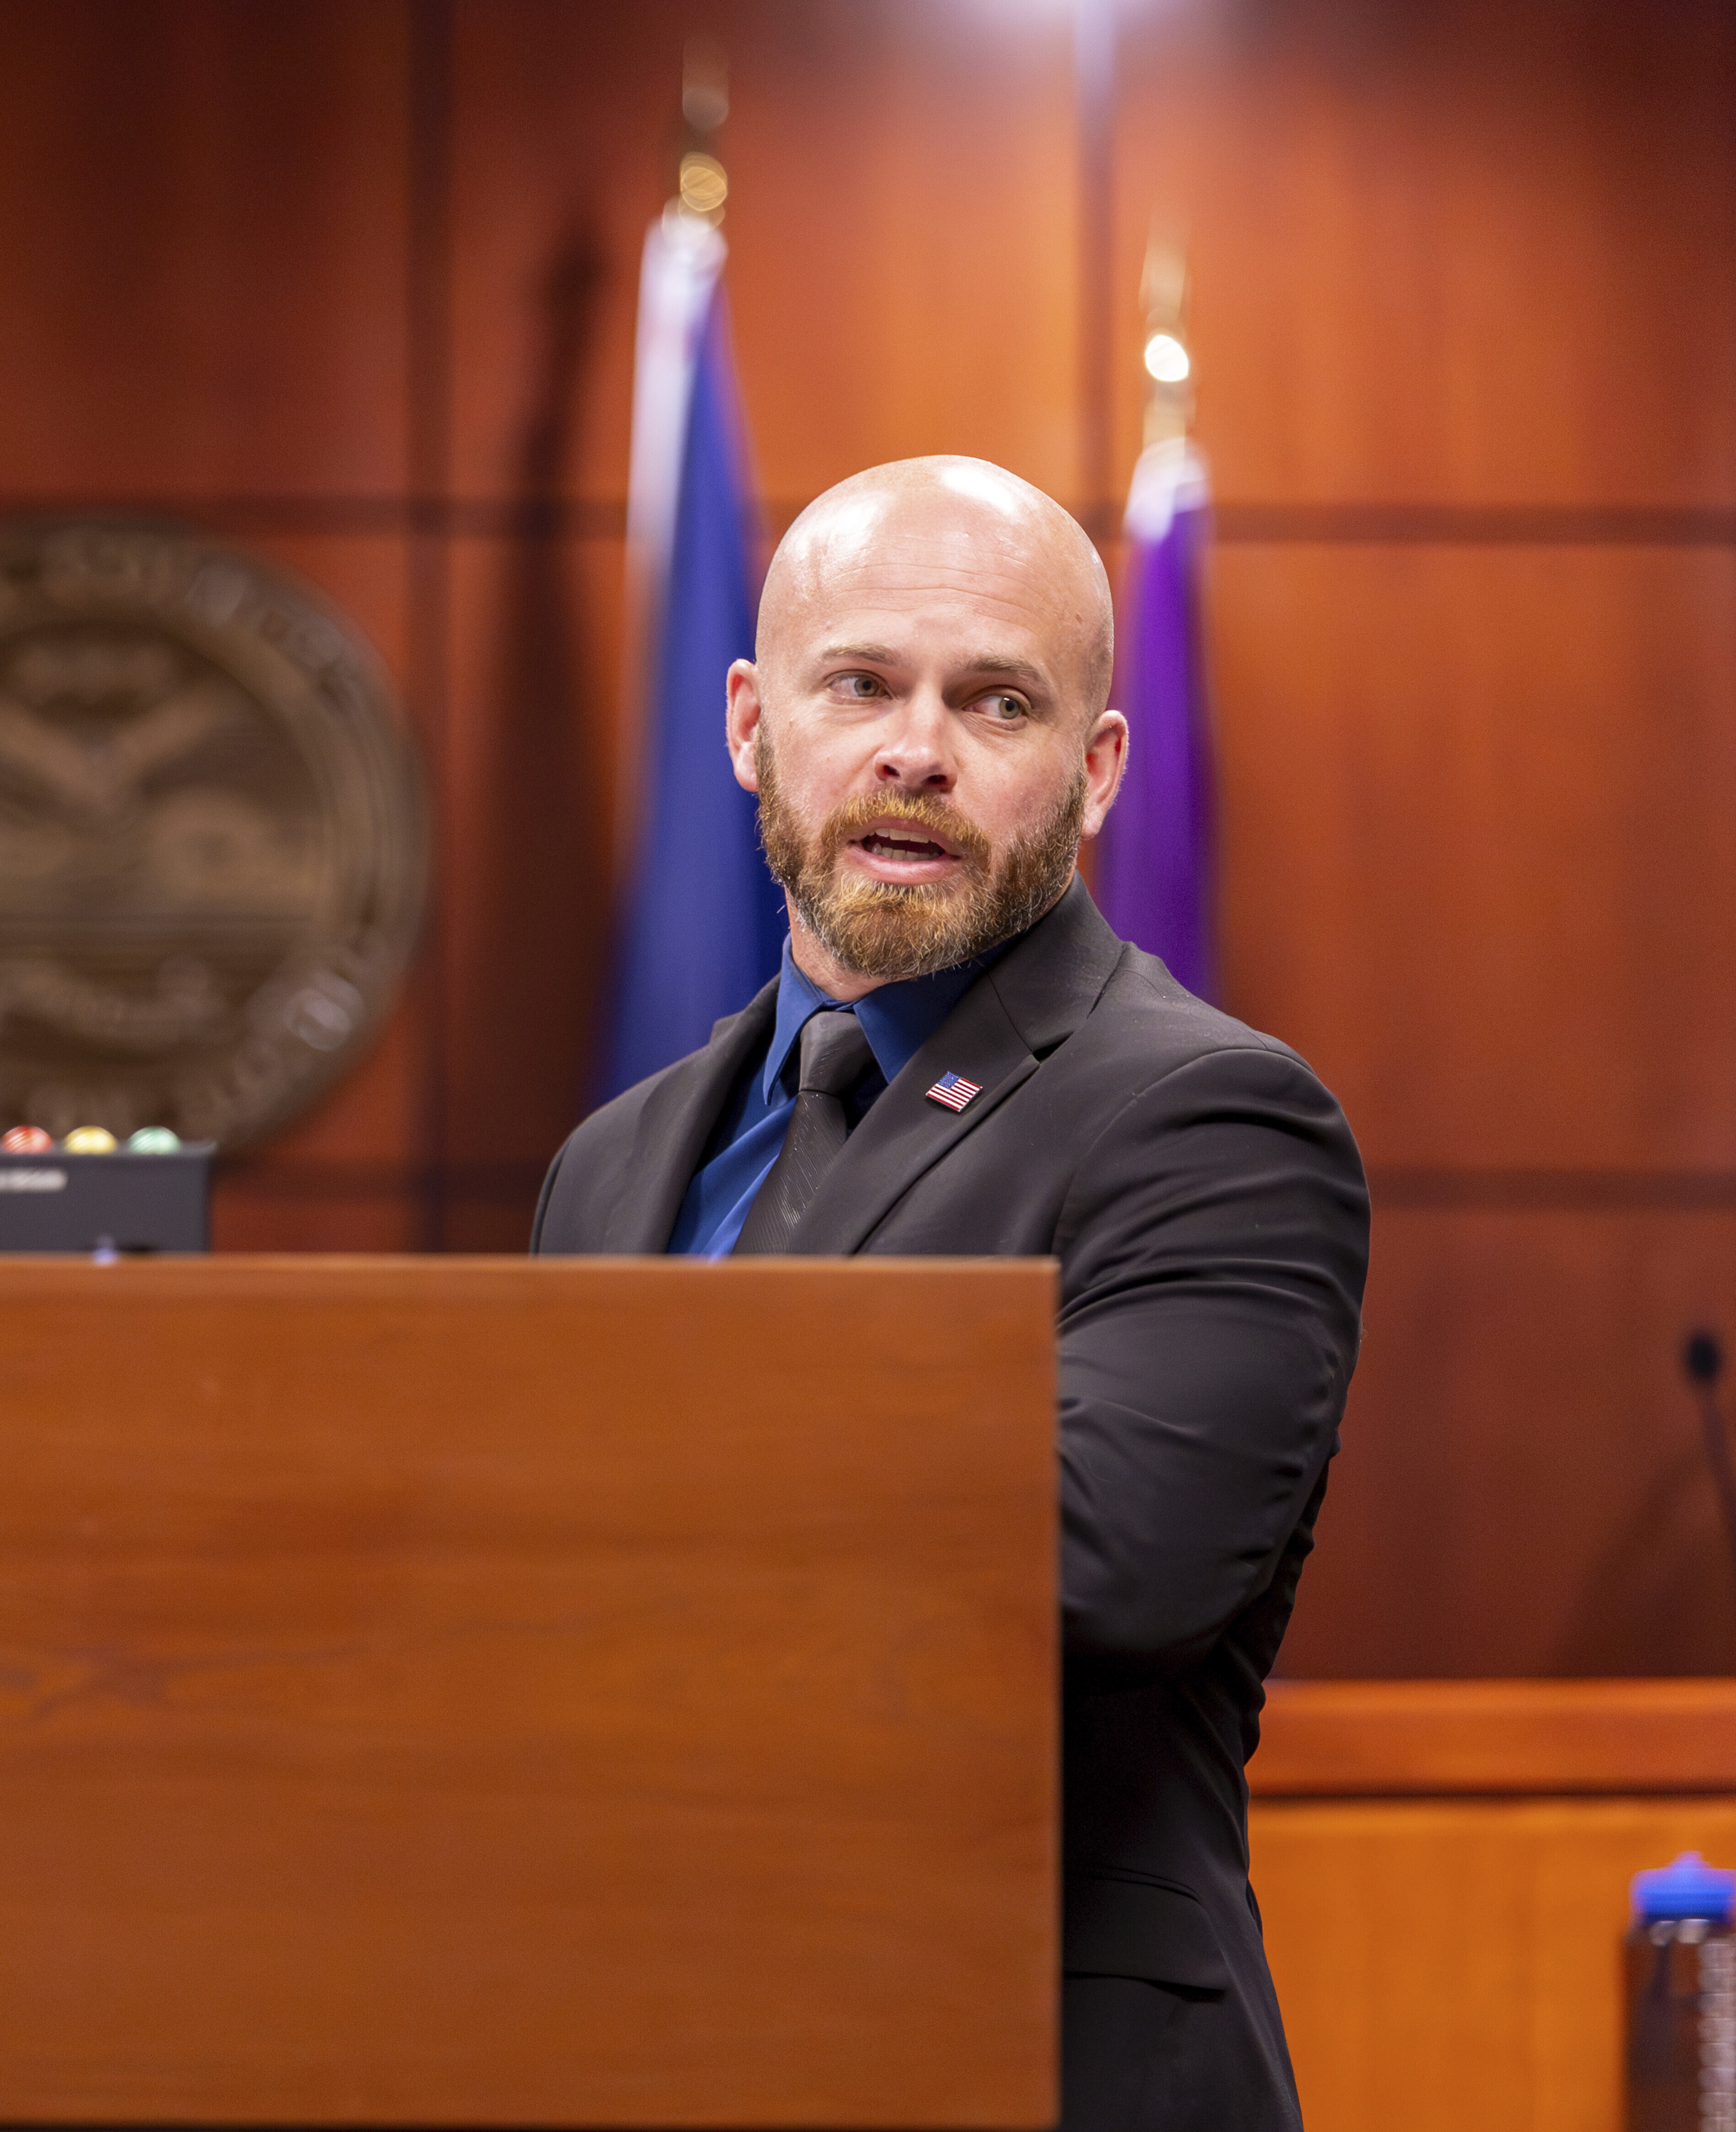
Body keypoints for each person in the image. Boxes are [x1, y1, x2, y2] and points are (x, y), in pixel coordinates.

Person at [534, 456, 1366, 2130]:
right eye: (863, 684)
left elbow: (1091, 1562)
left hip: (1033, 2061)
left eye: (997, 701)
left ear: (1098, 768)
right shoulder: (613, 1162)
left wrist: (595, 1515)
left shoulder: (1213, 1120)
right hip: (648, 2035)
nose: (919, 747)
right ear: (754, 726)